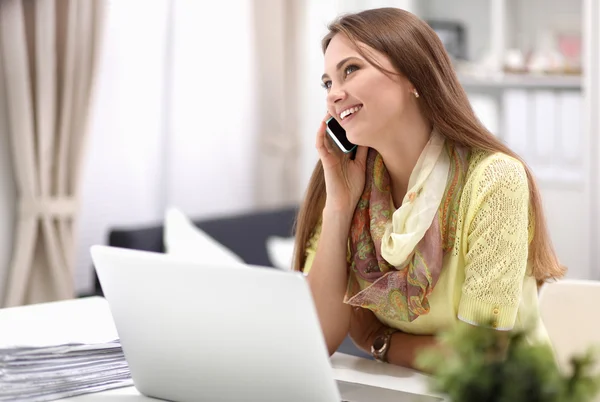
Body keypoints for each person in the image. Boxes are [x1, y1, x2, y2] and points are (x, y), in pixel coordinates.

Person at [292, 7, 565, 370]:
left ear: (413, 77)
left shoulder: (494, 180)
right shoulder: (348, 182)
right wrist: (339, 207)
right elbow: (317, 338)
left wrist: (381, 342)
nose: (334, 95)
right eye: (328, 82)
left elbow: (480, 355)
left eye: (351, 70)